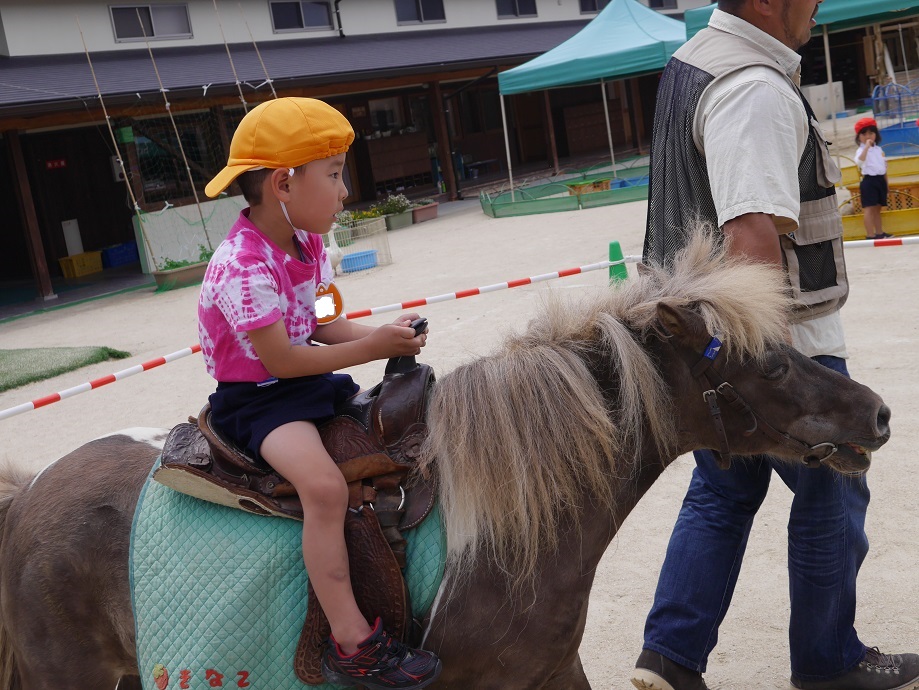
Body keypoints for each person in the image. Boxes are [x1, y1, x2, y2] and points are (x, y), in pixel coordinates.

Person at [635, 1, 919, 690]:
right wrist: (781, 374)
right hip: (779, 348)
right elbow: (751, 232)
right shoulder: (752, 86)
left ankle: (670, 654)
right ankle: (827, 661)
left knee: (721, 491)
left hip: (702, 339)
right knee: (834, 485)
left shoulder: (693, 60)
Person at [199, 97, 441, 690]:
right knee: (325, 488)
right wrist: (368, 348)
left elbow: (326, 324)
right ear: (283, 183)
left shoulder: (306, 245)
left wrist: (388, 337)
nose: (343, 189)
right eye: (332, 175)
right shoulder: (242, 265)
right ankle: (351, 639)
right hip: (259, 400)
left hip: (307, 379)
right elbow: (279, 356)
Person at [854, 117, 892, 239]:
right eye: (864, 134)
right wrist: (866, 147)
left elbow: (884, 168)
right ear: (859, 136)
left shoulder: (879, 149)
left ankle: (880, 233)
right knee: (869, 209)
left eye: (871, 133)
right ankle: (870, 235)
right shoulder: (860, 150)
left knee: (878, 208)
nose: (868, 136)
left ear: (876, 134)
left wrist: (886, 185)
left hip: (880, 180)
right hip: (869, 181)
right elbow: (859, 162)